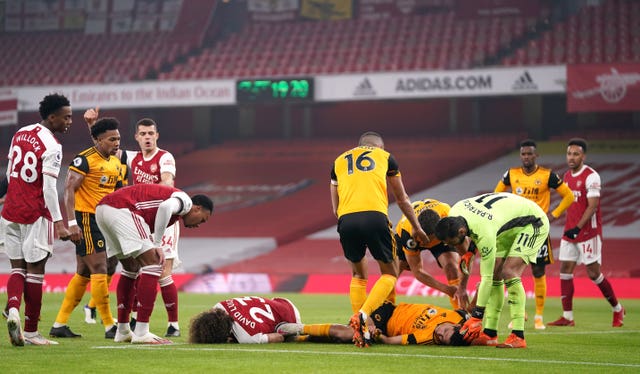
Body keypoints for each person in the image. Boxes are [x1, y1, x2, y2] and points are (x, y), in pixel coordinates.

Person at [83, 108, 181, 338]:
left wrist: (153, 193)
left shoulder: (165, 157)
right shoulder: (131, 157)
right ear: (136, 137)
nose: (147, 137)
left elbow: (167, 183)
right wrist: (93, 126)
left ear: (157, 135)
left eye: (151, 133)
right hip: (142, 220)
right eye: (143, 133)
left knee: (163, 269)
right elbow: (103, 149)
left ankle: (174, 324)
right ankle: (137, 318)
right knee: (137, 268)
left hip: (164, 218)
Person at [330, 131, 429, 347]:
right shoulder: (385, 157)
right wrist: (417, 226)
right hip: (375, 216)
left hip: (346, 220)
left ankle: (359, 325)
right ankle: (365, 314)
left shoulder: (339, 161)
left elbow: (334, 203)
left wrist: (343, 220)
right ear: (379, 146)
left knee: (358, 274)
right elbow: (402, 199)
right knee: (391, 273)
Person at [95, 183, 212, 344]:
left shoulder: (176, 212)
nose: (199, 224)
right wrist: (157, 243)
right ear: (197, 208)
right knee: (154, 264)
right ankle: (142, 331)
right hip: (124, 209)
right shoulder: (185, 201)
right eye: (203, 220)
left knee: (131, 268)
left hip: (103, 210)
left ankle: (122, 330)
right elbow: (165, 207)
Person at [1, 93, 73, 346]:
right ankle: (31, 331)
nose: (69, 122)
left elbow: (10, 173)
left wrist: (7, 198)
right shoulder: (52, 146)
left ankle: (12, 311)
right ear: (51, 117)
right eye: (66, 117)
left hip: (10, 211)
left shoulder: (20, 133)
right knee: (36, 271)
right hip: (35, 213)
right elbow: (49, 189)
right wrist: (59, 222)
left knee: (17, 268)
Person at [434, 192, 550, 348]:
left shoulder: (485, 233)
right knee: (496, 275)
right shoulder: (455, 211)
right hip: (504, 225)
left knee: (508, 272)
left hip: (533, 222)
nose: (451, 246)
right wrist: (470, 250)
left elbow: (485, 279)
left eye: (452, 242)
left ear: (461, 232)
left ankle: (518, 336)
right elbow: (473, 227)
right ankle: (490, 334)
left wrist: (477, 316)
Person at [49, 117, 125, 340]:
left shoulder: (115, 162)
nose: (116, 143)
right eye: (112, 139)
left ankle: (59, 324)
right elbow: (68, 189)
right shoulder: (85, 160)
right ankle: (110, 326)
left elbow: (117, 193)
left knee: (84, 272)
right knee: (100, 266)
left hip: (104, 219)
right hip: (86, 218)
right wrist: (71, 223)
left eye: (118, 138)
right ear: (99, 139)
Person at [494, 139, 574, 329]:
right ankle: (519, 314)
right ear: (520, 155)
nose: (526, 157)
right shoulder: (511, 175)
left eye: (530, 154)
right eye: (523, 154)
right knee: (510, 271)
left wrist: (553, 215)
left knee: (538, 271)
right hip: (515, 229)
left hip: (537, 230)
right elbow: (496, 195)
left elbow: (569, 195)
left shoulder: (547, 175)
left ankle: (538, 316)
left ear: (536, 155)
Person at [548, 138, 625, 327]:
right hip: (570, 231)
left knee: (593, 273)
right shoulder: (566, 176)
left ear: (583, 156)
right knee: (565, 270)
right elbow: (568, 203)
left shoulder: (592, 176)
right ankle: (568, 317)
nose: (571, 157)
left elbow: (592, 207)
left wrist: (577, 228)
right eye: (569, 154)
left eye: (576, 154)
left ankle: (617, 308)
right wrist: (553, 216)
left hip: (588, 232)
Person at [277, 300, 472, 346]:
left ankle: (298, 333)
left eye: (442, 339)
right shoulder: (460, 318)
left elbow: (390, 341)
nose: (440, 334)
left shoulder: (424, 338)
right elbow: (474, 317)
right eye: (445, 331)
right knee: (354, 329)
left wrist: (378, 335)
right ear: (456, 326)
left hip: (384, 327)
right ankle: (299, 332)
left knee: (347, 334)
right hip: (389, 309)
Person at [394, 198, 469, 310]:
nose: (424, 243)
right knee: (392, 274)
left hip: (440, 233)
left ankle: (462, 313)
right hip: (408, 237)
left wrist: (461, 286)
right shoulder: (407, 233)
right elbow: (418, 272)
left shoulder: (448, 217)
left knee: (451, 267)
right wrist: (447, 289)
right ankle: (385, 310)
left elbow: (465, 253)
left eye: (427, 240)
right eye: (421, 238)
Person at [189, 296, 302, 344]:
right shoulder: (219, 306)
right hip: (281, 302)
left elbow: (279, 337)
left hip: (290, 317)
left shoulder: (247, 337)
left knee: (285, 334)